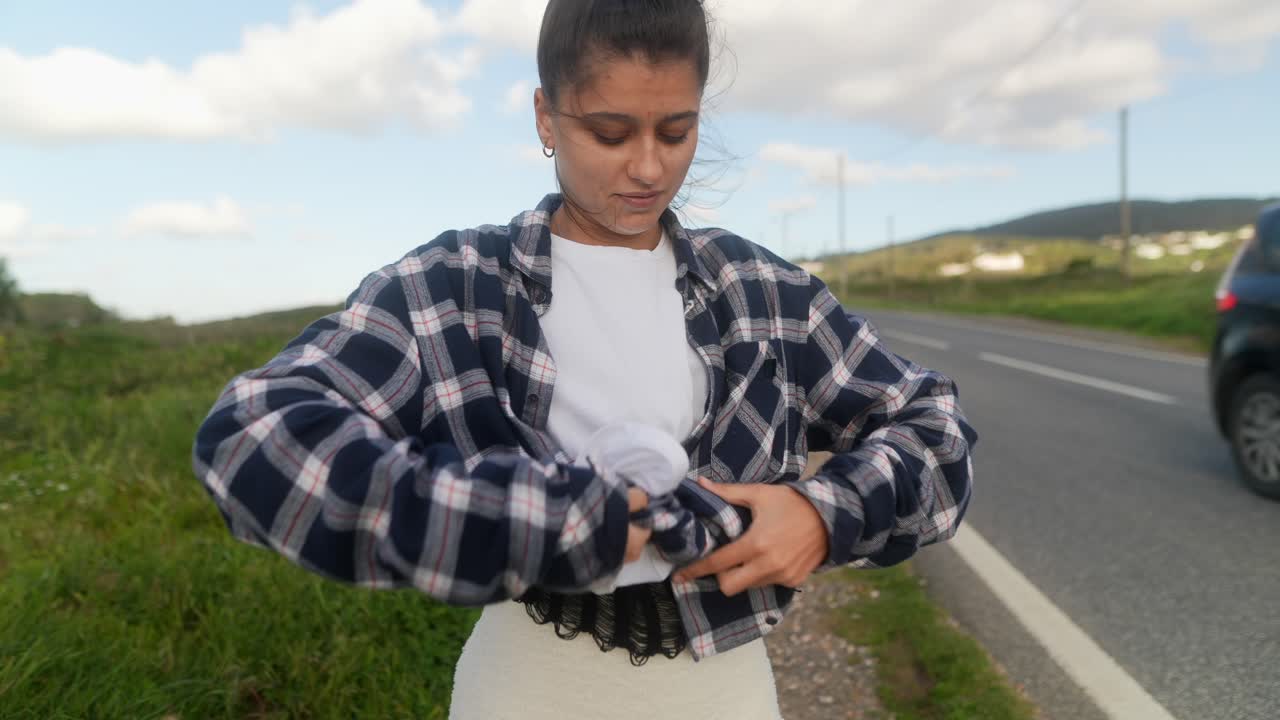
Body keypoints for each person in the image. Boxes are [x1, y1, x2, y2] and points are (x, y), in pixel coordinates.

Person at [191, 1, 978, 718]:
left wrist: (823, 514)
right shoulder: (456, 288)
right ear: (546, 117)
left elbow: (936, 431)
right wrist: (539, 522)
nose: (647, 167)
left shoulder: (765, 293)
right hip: (529, 686)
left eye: (676, 131)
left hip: (727, 692)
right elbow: (250, 438)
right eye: (610, 132)